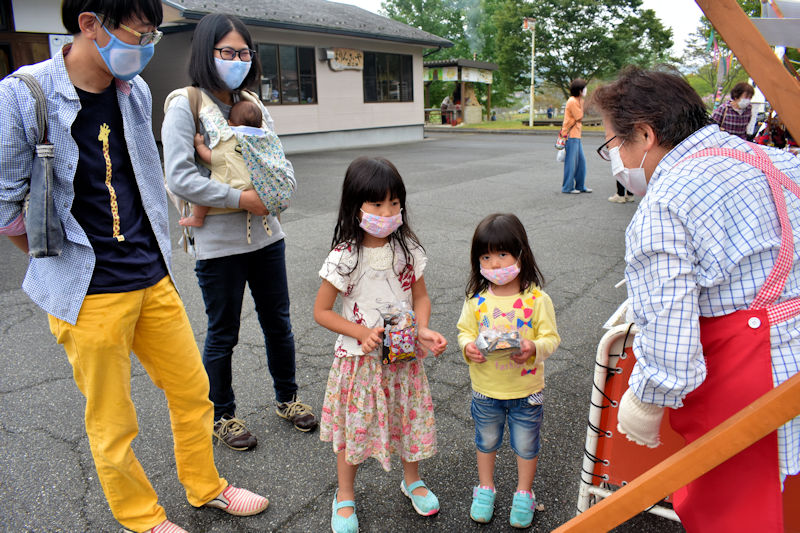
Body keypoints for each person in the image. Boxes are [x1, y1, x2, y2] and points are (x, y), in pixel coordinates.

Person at [0, 2, 269, 531]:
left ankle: (205, 486)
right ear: (89, 23)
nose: (147, 46)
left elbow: (145, 174)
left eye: (153, 35)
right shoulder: (22, 93)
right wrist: (51, 263)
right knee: (113, 419)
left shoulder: (134, 89)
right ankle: (141, 516)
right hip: (87, 287)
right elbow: (8, 204)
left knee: (194, 392)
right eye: (140, 33)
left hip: (150, 273)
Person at [591, 66, 800, 531]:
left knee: (738, 511)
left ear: (644, 135)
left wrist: (646, 400)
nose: (616, 159)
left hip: (750, 383)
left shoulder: (666, 201)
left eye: (613, 144)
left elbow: (670, 329)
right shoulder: (781, 160)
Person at [162, 13, 317, 452]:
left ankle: (287, 399)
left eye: (244, 53)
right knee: (223, 332)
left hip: (268, 237)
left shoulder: (253, 101)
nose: (237, 60)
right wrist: (241, 200)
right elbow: (179, 178)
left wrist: (274, 190)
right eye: (226, 52)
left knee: (278, 324)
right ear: (206, 53)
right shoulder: (184, 104)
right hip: (218, 244)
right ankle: (223, 415)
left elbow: (272, 157)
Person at [313, 157, 448, 533]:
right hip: (359, 363)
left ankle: (413, 479)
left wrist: (422, 329)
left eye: (394, 203)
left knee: (407, 421)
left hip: (402, 358)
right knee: (353, 431)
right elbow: (321, 311)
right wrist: (359, 332)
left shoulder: (407, 250)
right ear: (355, 206)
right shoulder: (344, 256)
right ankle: (344, 495)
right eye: (376, 204)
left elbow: (420, 298)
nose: (387, 212)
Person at [456, 213, 560, 529]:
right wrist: (468, 347)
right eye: (486, 257)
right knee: (486, 441)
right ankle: (485, 488)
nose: (496, 264)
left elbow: (551, 338)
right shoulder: (476, 301)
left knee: (526, 445)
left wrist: (532, 349)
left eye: (502, 254)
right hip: (486, 389)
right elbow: (463, 331)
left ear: (520, 254)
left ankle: (523, 492)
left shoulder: (537, 299)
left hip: (526, 392)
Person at [180, 99, 264, 228]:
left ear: (229, 123)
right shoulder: (261, 142)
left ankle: (197, 218)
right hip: (253, 185)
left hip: (231, 183)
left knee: (204, 194)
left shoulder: (229, 143)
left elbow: (210, 157)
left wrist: (199, 145)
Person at [560, 78, 592, 194]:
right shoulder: (572, 101)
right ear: (579, 90)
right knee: (571, 163)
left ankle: (580, 185)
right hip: (570, 135)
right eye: (584, 88)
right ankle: (567, 187)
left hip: (576, 135)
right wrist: (582, 104)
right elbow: (579, 116)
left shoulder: (579, 101)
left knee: (581, 162)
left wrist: (582, 102)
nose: (585, 90)